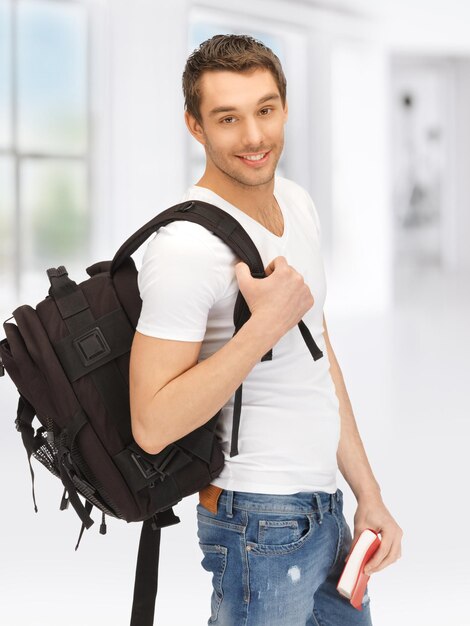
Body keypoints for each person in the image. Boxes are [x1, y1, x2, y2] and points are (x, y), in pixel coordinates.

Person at [129, 34, 402, 626]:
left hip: (325, 512)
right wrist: (263, 327)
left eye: (265, 110)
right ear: (195, 126)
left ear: (283, 107)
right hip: (255, 520)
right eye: (228, 118)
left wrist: (367, 493)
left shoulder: (297, 204)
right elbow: (151, 425)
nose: (253, 137)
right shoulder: (185, 248)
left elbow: (317, 360)